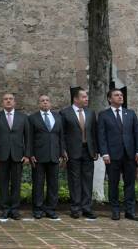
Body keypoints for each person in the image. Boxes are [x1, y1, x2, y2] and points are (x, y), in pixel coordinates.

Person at [98, 88, 138, 221]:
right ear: (109, 99)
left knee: (130, 183)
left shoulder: (130, 113)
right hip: (112, 155)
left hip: (129, 155)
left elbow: (137, 134)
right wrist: (104, 153)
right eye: (116, 95)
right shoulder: (104, 115)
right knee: (113, 183)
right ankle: (115, 210)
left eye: (121, 95)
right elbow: (101, 136)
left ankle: (130, 211)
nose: (120, 97)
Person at [0, 93, 30, 220]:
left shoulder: (23, 118)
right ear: (2, 102)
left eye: (10, 99)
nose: (8, 101)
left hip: (18, 156)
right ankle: (5, 209)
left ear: (14, 102)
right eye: (5, 99)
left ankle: (15, 209)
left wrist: (27, 155)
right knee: (3, 183)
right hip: (1, 156)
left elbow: (28, 138)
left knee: (16, 183)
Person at [60, 87, 98, 219]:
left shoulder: (91, 113)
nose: (86, 98)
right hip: (72, 151)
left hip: (88, 151)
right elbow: (62, 134)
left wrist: (95, 150)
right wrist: (63, 150)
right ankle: (75, 208)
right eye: (84, 97)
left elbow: (94, 133)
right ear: (76, 99)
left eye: (87, 96)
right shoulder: (65, 113)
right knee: (74, 180)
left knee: (88, 180)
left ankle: (87, 208)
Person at [29, 95, 66, 219]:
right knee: (38, 183)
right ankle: (38, 209)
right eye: (42, 101)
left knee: (53, 184)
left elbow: (61, 137)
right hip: (38, 156)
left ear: (50, 103)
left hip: (54, 155)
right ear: (39, 104)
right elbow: (30, 138)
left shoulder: (58, 117)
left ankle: (51, 209)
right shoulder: (32, 118)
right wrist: (30, 154)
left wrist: (62, 153)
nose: (45, 102)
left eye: (47, 100)